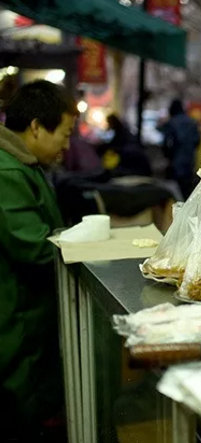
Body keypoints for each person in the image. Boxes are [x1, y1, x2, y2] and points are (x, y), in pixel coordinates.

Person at [0, 79, 78, 441]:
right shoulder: (8, 172)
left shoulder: (22, 163)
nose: (66, 146)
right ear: (35, 127)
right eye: (63, 135)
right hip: (15, 325)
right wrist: (88, 251)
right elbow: (32, 247)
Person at [158, 99, 201, 197]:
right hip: (189, 162)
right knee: (188, 193)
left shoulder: (171, 123)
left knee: (174, 194)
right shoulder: (192, 122)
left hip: (175, 163)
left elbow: (166, 143)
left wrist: (168, 156)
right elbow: (197, 141)